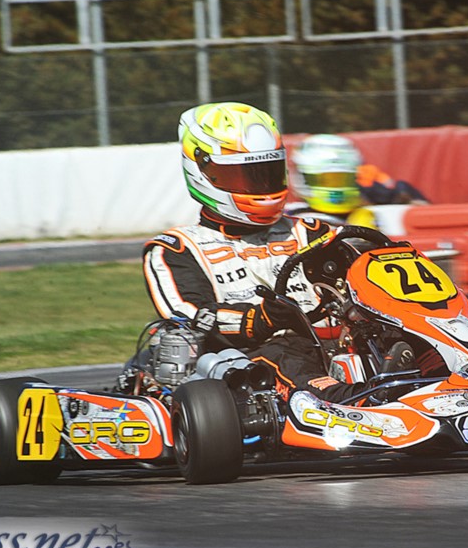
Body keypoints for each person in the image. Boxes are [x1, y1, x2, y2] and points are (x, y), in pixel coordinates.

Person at [142, 102, 369, 404]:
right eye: (243, 176)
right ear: (203, 171)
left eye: (267, 173)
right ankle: (345, 401)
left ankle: (424, 384)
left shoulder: (311, 232)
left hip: (334, 344)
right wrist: (258, 319)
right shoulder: (178, 249)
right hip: (251, 358)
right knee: (283, 353)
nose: (260, 186)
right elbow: (191, 315)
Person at [287, 133, 428, 227]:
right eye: (327, 180)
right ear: (303, 178)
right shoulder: (293, 218)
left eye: (342, 179)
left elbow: (403, 193)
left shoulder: (371, 200)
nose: (336, 187)